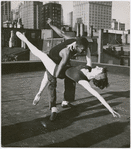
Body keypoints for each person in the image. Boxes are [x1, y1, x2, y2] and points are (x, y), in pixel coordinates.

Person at [16, 31, 120, 119]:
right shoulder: (89, 66)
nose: (98, 67)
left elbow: (97, 95)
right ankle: (39, 93)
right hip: (58, 62)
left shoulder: (83, 80)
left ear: (98, 77)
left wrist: (111, 110)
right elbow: (87, 52)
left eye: (100, 70)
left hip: (58, 69)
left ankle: (24, 39)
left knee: (40, 54)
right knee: (46, 76)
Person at [16, 31, 91, 121]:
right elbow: (58, 69)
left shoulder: (76, 42)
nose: (83, 52)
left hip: (62, 61)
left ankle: (65, 101)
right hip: (51, 61)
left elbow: (62, 34)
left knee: (70, 77)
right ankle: (53, 108)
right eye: (82, 50)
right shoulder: (66, 52)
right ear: (76, 46)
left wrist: (89, 65)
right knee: (52, 82)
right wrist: (54, 75)